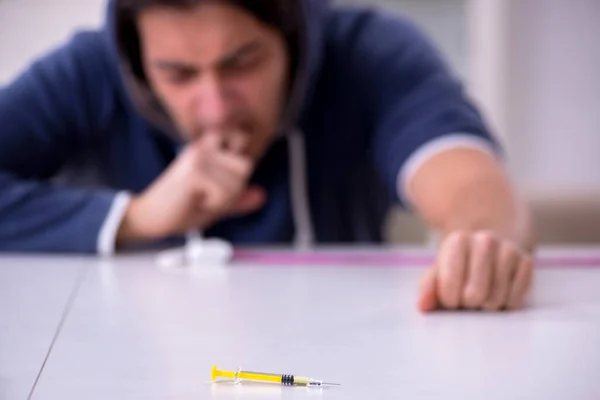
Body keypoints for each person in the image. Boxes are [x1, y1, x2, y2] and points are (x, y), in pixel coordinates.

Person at [0, 0, 535, 312]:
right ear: (137, 61)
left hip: (334, 371)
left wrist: (479, 244)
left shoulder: (372, 52)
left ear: (294, 33)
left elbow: (465, 175)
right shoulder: (88, 70)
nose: (213, 108)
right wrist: (135, 217)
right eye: (178, 75)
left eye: (242, 63)